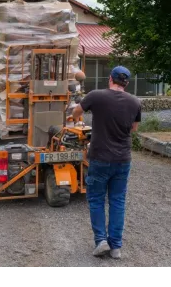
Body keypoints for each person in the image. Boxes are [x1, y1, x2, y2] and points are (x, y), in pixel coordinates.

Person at [72, 65, 141, 259]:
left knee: (96, 199)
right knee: (117, 201)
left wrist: (77, 119)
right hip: (123, 159)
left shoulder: (96, 96)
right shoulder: (135, 102)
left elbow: (76, 113)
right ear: (126, 83)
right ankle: (116, 247)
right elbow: (133, 129)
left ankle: (101, 241)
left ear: (110, 79)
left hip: (100, 158)